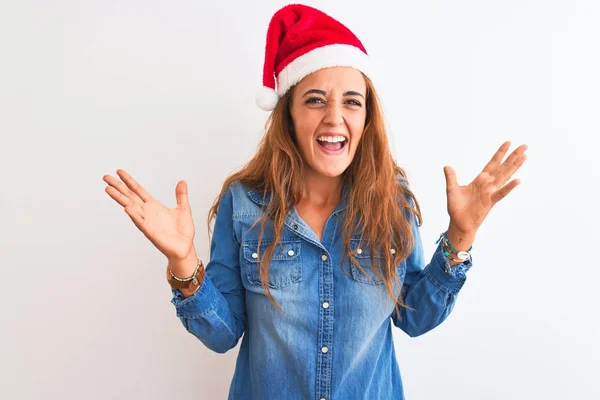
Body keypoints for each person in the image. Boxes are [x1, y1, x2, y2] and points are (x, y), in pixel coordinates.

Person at [103, 4, 527, 399]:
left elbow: (414, 317)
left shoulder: (390, 202)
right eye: (315, 100)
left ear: (366, 119)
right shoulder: (245, 202)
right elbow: (222, 334)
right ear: (288, 112)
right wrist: (183, 262)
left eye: (352, 102)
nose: (334, 118)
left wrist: (461, 235)